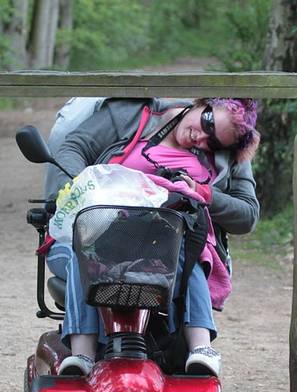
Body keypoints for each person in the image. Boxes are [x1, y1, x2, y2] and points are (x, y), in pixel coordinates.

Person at [43, 97, 261, 377]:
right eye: (207, 123)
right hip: (99, 228)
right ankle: (82, 355)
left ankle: (201, 349)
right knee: (83, 248)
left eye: (213, 142)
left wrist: (205, 193)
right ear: (201, 103)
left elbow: (247, 214)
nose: (202, 138)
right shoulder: (129, 115)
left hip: (167, 241)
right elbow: (73, 147)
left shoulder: (226, 155)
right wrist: (81, 191)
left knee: (191, 250)